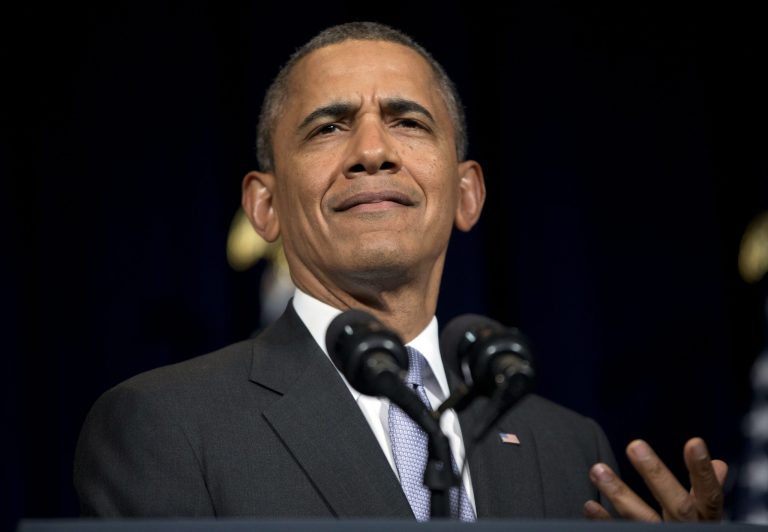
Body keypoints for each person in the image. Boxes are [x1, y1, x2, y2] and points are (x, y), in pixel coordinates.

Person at [74, 21, 727, 521]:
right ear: (264, 206)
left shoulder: (565, 445)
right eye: (328, 127)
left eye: (406, 122)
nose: (372, 151)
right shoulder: (165, 423)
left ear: (467, 194)